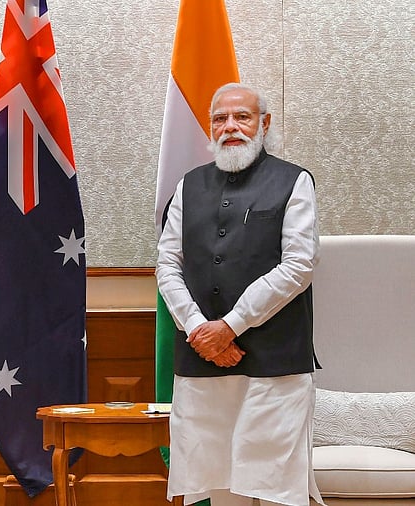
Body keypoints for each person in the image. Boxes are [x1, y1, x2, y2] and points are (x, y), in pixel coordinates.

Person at [156, 83, 325, 506]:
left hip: (275, 366)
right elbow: (167, 265)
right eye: (220, 119)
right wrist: (199, 329)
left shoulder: (294, 181)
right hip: (202, 360)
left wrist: (230, 327)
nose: (230, 126)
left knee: (276, 487)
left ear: (263, 124)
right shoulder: (187, 186)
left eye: (242, 117)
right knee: (218, 486)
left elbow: (299, 266)